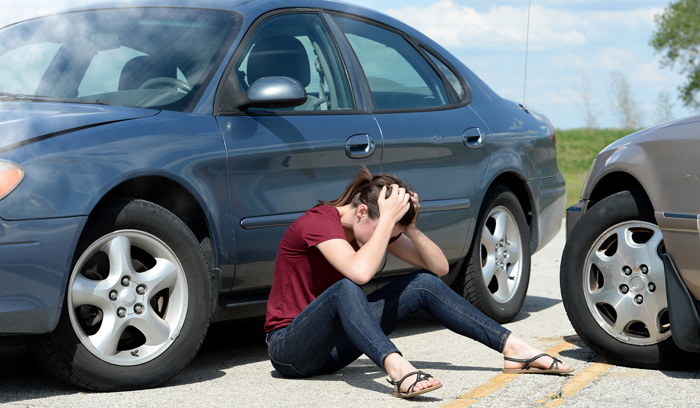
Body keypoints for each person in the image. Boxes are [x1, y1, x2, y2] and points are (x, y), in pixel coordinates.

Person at [264, 167, 572, 399]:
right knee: (347, 289)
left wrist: (408, 228)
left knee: (421, 283)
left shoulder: (370, 228)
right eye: (384, 228)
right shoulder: (318, 223)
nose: (386, 239)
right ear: (361, 212)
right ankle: (397, 368)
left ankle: (513, 347)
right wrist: (385, 222)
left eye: (392, 232)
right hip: (291, 351)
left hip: (333, 350)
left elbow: (437, 267)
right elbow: (358, 274)